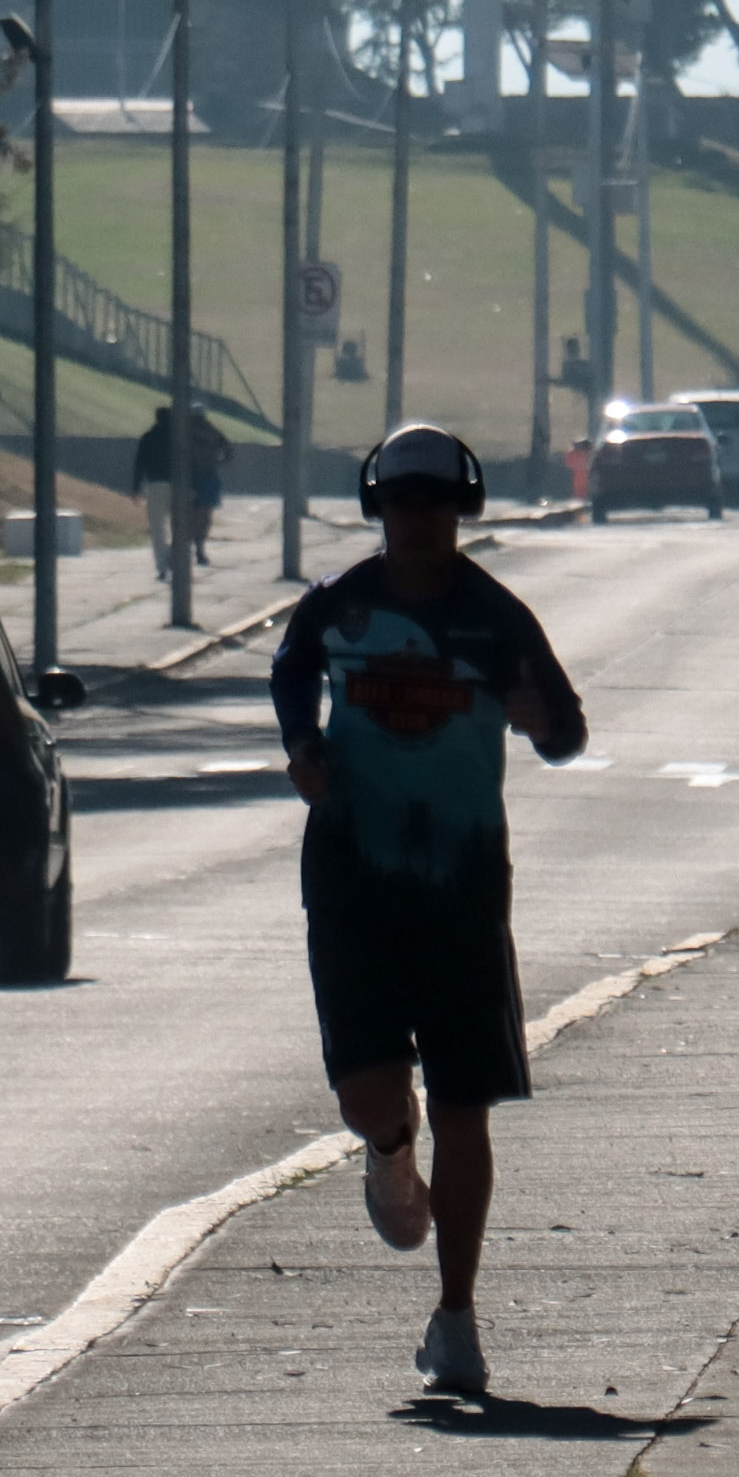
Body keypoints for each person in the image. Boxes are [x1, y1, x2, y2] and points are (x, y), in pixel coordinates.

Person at [269, 421, 588, 1397]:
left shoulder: (496, 619)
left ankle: (456, 1317)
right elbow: (289, 671)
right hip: (354, 881)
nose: (419, 518)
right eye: (403, 500)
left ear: (463, 506)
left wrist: (542, 725)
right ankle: (387, 1149)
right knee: (370, 1094)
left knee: (466, 1105)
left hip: (461, 889)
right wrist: (306, 748)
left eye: (437, 501)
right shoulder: (342, 608)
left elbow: (566, 729)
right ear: (378, 505)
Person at [131, 403, 233, 574]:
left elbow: (139, 464)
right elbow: (196, 458)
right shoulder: (185, 436)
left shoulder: (152, 436)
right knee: (189, 521)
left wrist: (136, 488)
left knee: (159, 528)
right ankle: (189, 552)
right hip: (185, 483)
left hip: (157, 484)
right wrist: (213, 464)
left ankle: (163, 565)